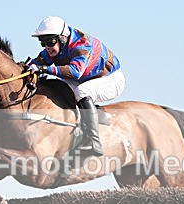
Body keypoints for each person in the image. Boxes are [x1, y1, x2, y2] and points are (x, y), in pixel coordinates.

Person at [26, 16, 125, 157]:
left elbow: (75, 72)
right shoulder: (55, 47)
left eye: (50, 41)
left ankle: (94, 141)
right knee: (59, 86)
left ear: (62, 38)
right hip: (86, 78)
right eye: (43, 43)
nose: (47, 47)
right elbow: (37, 62)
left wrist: (43, 69)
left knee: (82, 91)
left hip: (110, 79)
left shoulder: (82, 45)